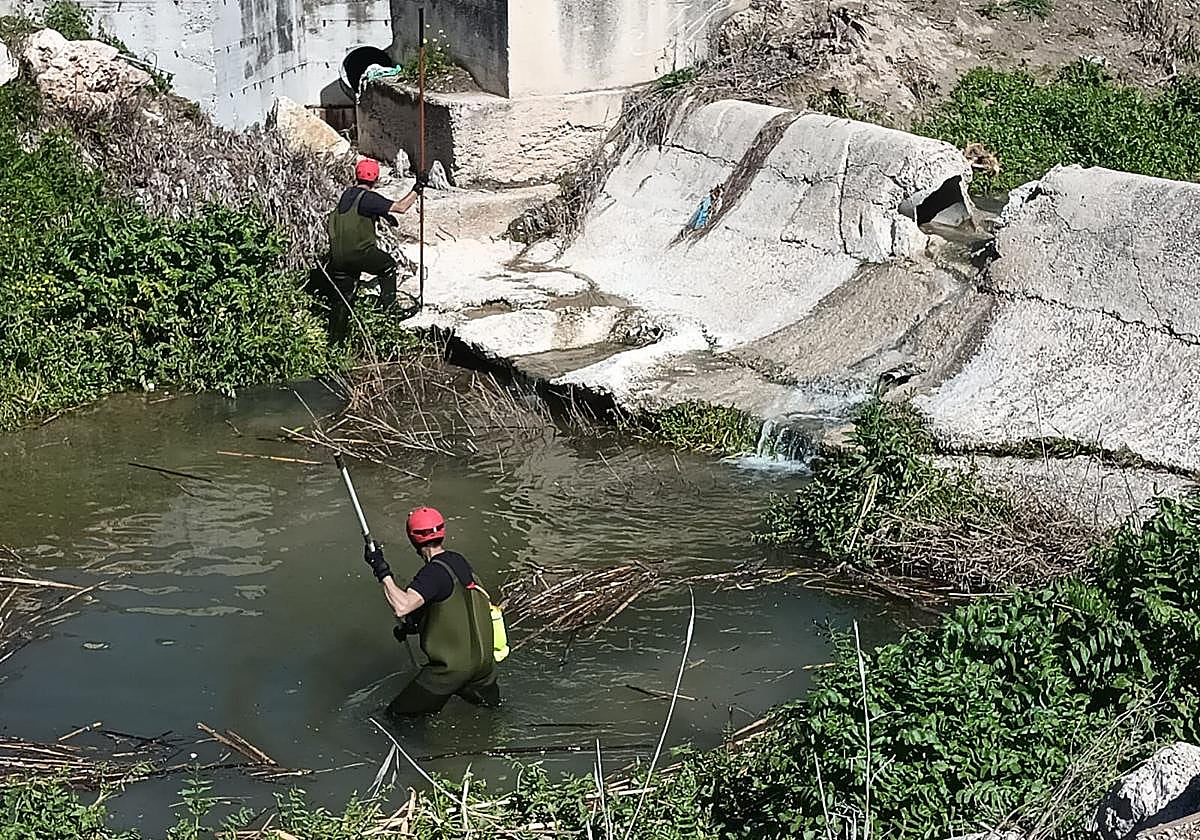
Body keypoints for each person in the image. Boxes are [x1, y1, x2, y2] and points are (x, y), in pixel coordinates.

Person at [362, 506, 502, 717]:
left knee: (394, 718)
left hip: (450, 670)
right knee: (494, 714)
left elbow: (402, 606)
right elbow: (451, 604)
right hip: (483, 665)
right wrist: (414, 625)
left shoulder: (433, 574)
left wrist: (380, 568)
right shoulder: (459, 561)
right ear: (442, 532)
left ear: (413, 539)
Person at [322, 158, 422, 341]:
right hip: (359, 252)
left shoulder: (348, 194)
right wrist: (417, 190)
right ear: (375, 179)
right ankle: (391, 310)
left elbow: (359, 212)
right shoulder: (369, 197)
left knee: (343, 300)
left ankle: (335, 345)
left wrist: (382, 214)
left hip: (337, 256)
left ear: (356, 176)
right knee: (388, 266)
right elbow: (401, 207)